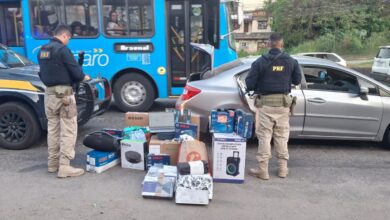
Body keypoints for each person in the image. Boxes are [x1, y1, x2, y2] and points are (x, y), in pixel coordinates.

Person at [245, 33, 302, 180]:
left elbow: (249, 84)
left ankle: (263, 170)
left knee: (264, 136)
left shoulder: (260, 62)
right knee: (282, 136)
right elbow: (297, 80)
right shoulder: (292, 61)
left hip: (265, 105)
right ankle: (283, 169)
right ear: (281, 44)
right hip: (283, 105)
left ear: (269, 44)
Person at [37, 25, 90, 178]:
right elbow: (76, 72)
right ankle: (65, 166)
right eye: (69, 39)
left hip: (49, 93)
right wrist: (83, 76)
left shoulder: (42, 50)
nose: (68, 42)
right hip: (64, 93)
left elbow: (42, 72)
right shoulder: (62, 50)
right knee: (68, 129)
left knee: (53, 129)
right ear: (65, 36)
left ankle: (52, 164)